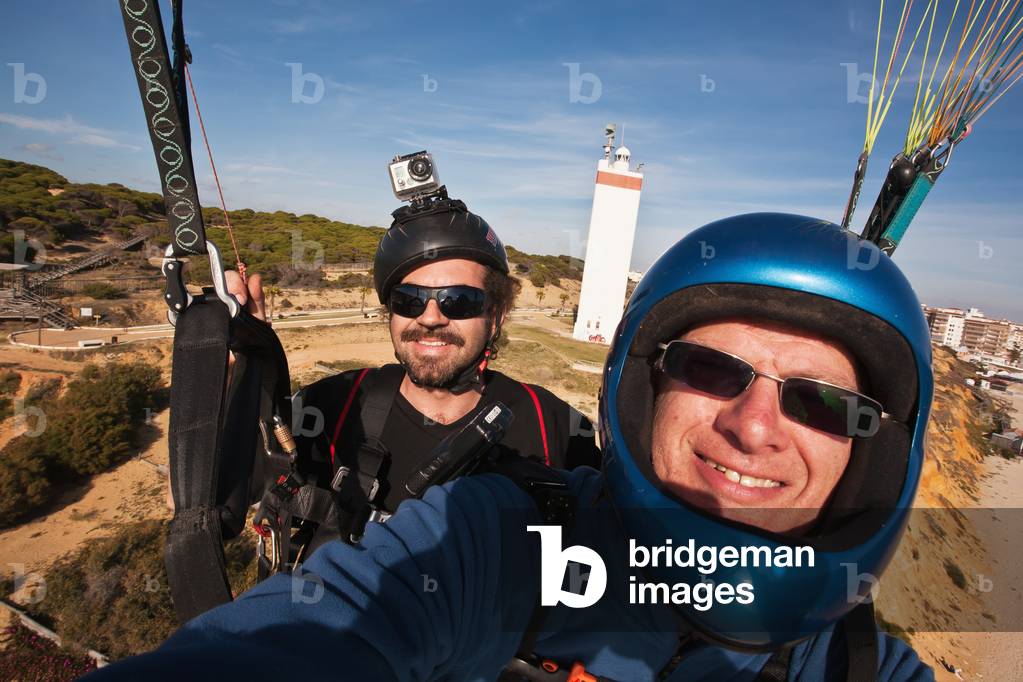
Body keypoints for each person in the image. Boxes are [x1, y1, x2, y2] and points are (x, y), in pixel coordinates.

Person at [90, 213, 934, 681]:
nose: (753, 426)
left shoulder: (861, 666)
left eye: (824, 403)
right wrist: (242, 361)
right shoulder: (493, 529)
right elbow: (332, 599)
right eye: (708, 369)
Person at [236, 193, 600, 569]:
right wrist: (241, 378)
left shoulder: (554, 427)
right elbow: (224, 491)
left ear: (496, 315)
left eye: (458, 300)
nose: (430, 318)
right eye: (409, 299)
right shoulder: (334, 405)